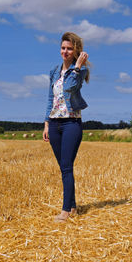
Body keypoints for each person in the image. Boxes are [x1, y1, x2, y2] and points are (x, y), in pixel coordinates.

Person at [42, 32, 90, 222]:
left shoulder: (80, 72)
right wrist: (46, 124)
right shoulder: (54, 71)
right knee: (63, 167)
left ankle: (65, 211)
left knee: (67, 167)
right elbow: (50, 98)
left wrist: (77, 67)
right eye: (63, 48)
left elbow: (69, 87)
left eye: (70, 48)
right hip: (54, 123)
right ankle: (73, 206)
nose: (65, 51)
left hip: (71, 123)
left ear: (76, 50)